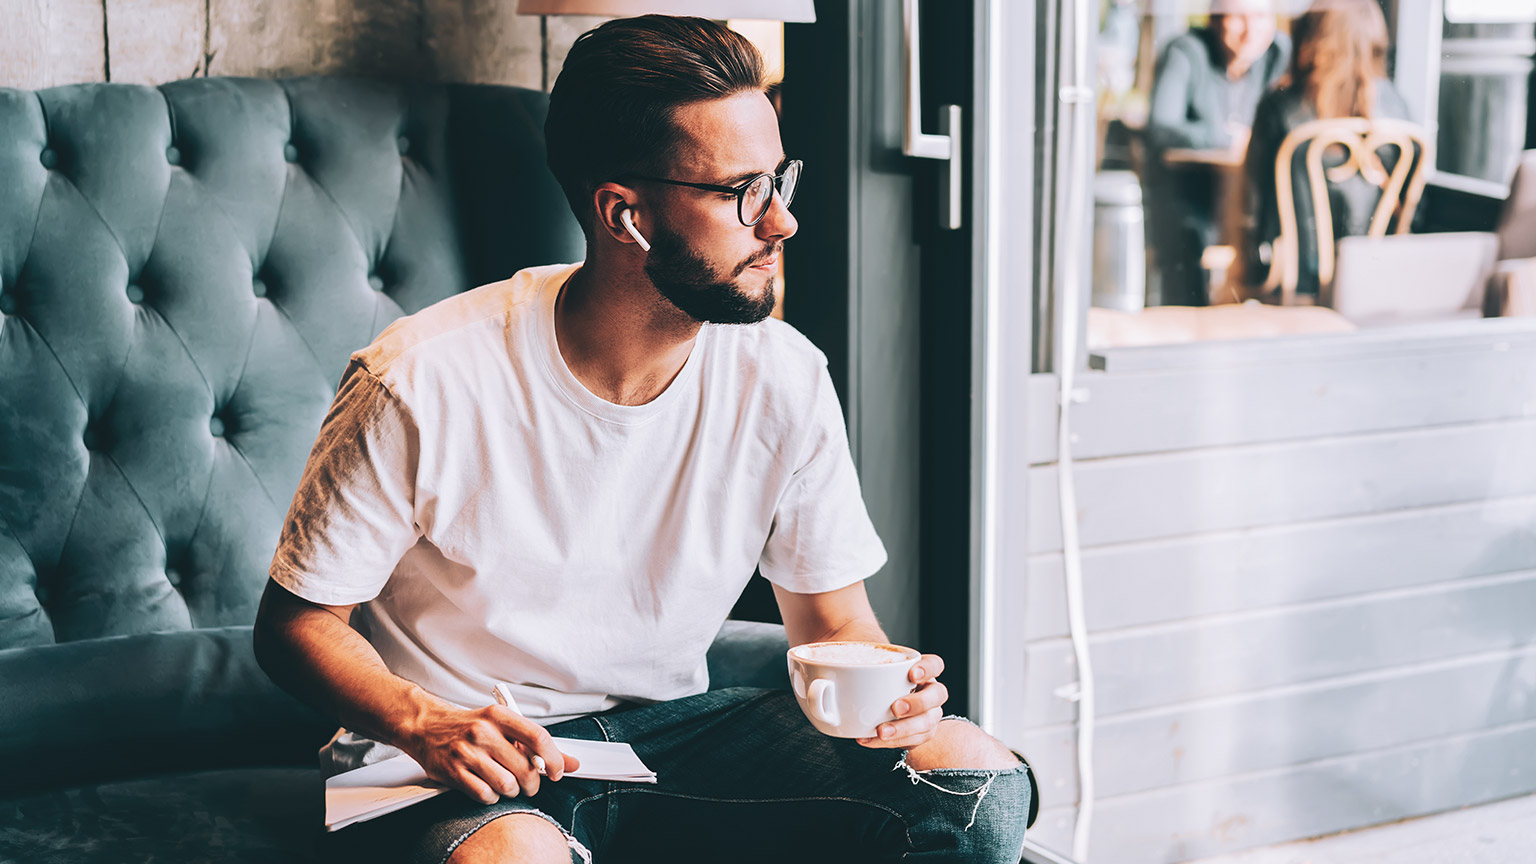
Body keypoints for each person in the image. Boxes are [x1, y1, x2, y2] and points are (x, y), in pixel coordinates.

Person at [252, 15, 1032, 864]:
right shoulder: (418, 378)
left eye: (781, 181)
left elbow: (833, 617)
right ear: (627, 216)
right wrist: (422, 722)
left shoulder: (785, 375)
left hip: (669, 738)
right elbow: (295, 624)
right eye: (744, 194)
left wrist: (893, 694)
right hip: (455, 760)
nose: (782, 224)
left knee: (972, 776)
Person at [1240, 0, 1413, 299]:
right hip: (1377, 278)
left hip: (1295, 280)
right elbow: (1413, 205)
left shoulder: (1279, 107)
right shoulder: (1398, 109)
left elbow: (1252, 205)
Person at [1145, 0, 1291, 306]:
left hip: (1249, 197)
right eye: (1239, 17)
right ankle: (1187, 321)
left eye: (1262, 17)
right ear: (1215, 20)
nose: (1252, 29)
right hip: (1194, 194)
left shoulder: (1279, 55)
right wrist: (1228, 138)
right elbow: (1161, 127)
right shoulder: (1185, 52)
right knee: (1188, 235)